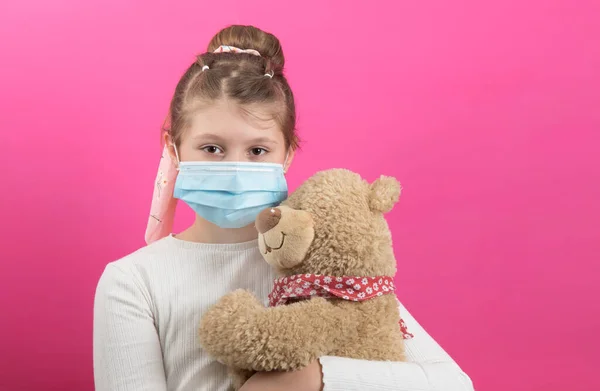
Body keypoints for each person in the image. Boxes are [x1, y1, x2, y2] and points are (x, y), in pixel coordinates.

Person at [92, 24, 475, 391]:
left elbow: (453, 384)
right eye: (212, 148)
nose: (235, 170)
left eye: (257, 151)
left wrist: (311, 379)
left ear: (287, 154)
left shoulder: (323, 264)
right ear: (173, 148)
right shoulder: (133, 283)